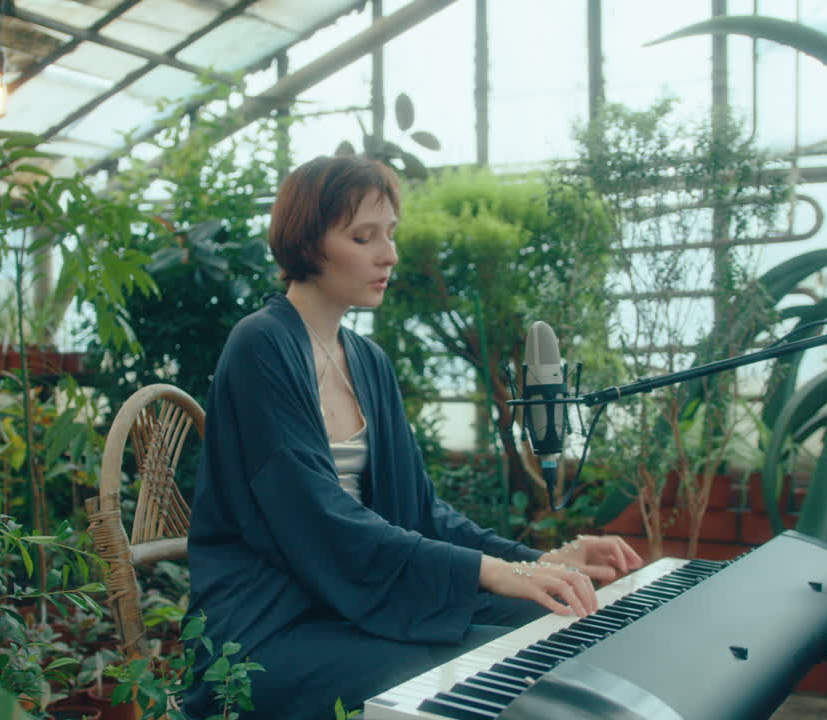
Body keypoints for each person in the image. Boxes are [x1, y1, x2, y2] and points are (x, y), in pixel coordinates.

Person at [181, 155, 642, 719]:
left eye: (391, 234)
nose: (389, 255)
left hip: (355, 598)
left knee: (556, 625)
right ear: (308, 241)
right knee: (492, 675)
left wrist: (540, 563)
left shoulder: (367, 360)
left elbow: (422, 512)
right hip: (273, 624)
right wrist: (500, 573)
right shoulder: (262, 346)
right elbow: (318, 519)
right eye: (363, 236)